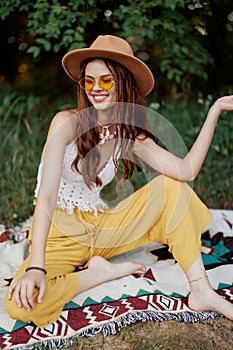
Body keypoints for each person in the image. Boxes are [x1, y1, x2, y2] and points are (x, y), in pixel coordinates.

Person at [5, 35, 233, 327]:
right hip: (57, 237)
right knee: (21, 305)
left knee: (170, 187)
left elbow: (186, 171)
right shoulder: (66, 123)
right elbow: (47, 196)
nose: (96, 89)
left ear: (123, 83)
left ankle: (201, 290)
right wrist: (36, 266)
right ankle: (98, 273)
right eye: (89, 81)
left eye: (106, 81)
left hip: (100, 228)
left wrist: (214, 111)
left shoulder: (130, 135)